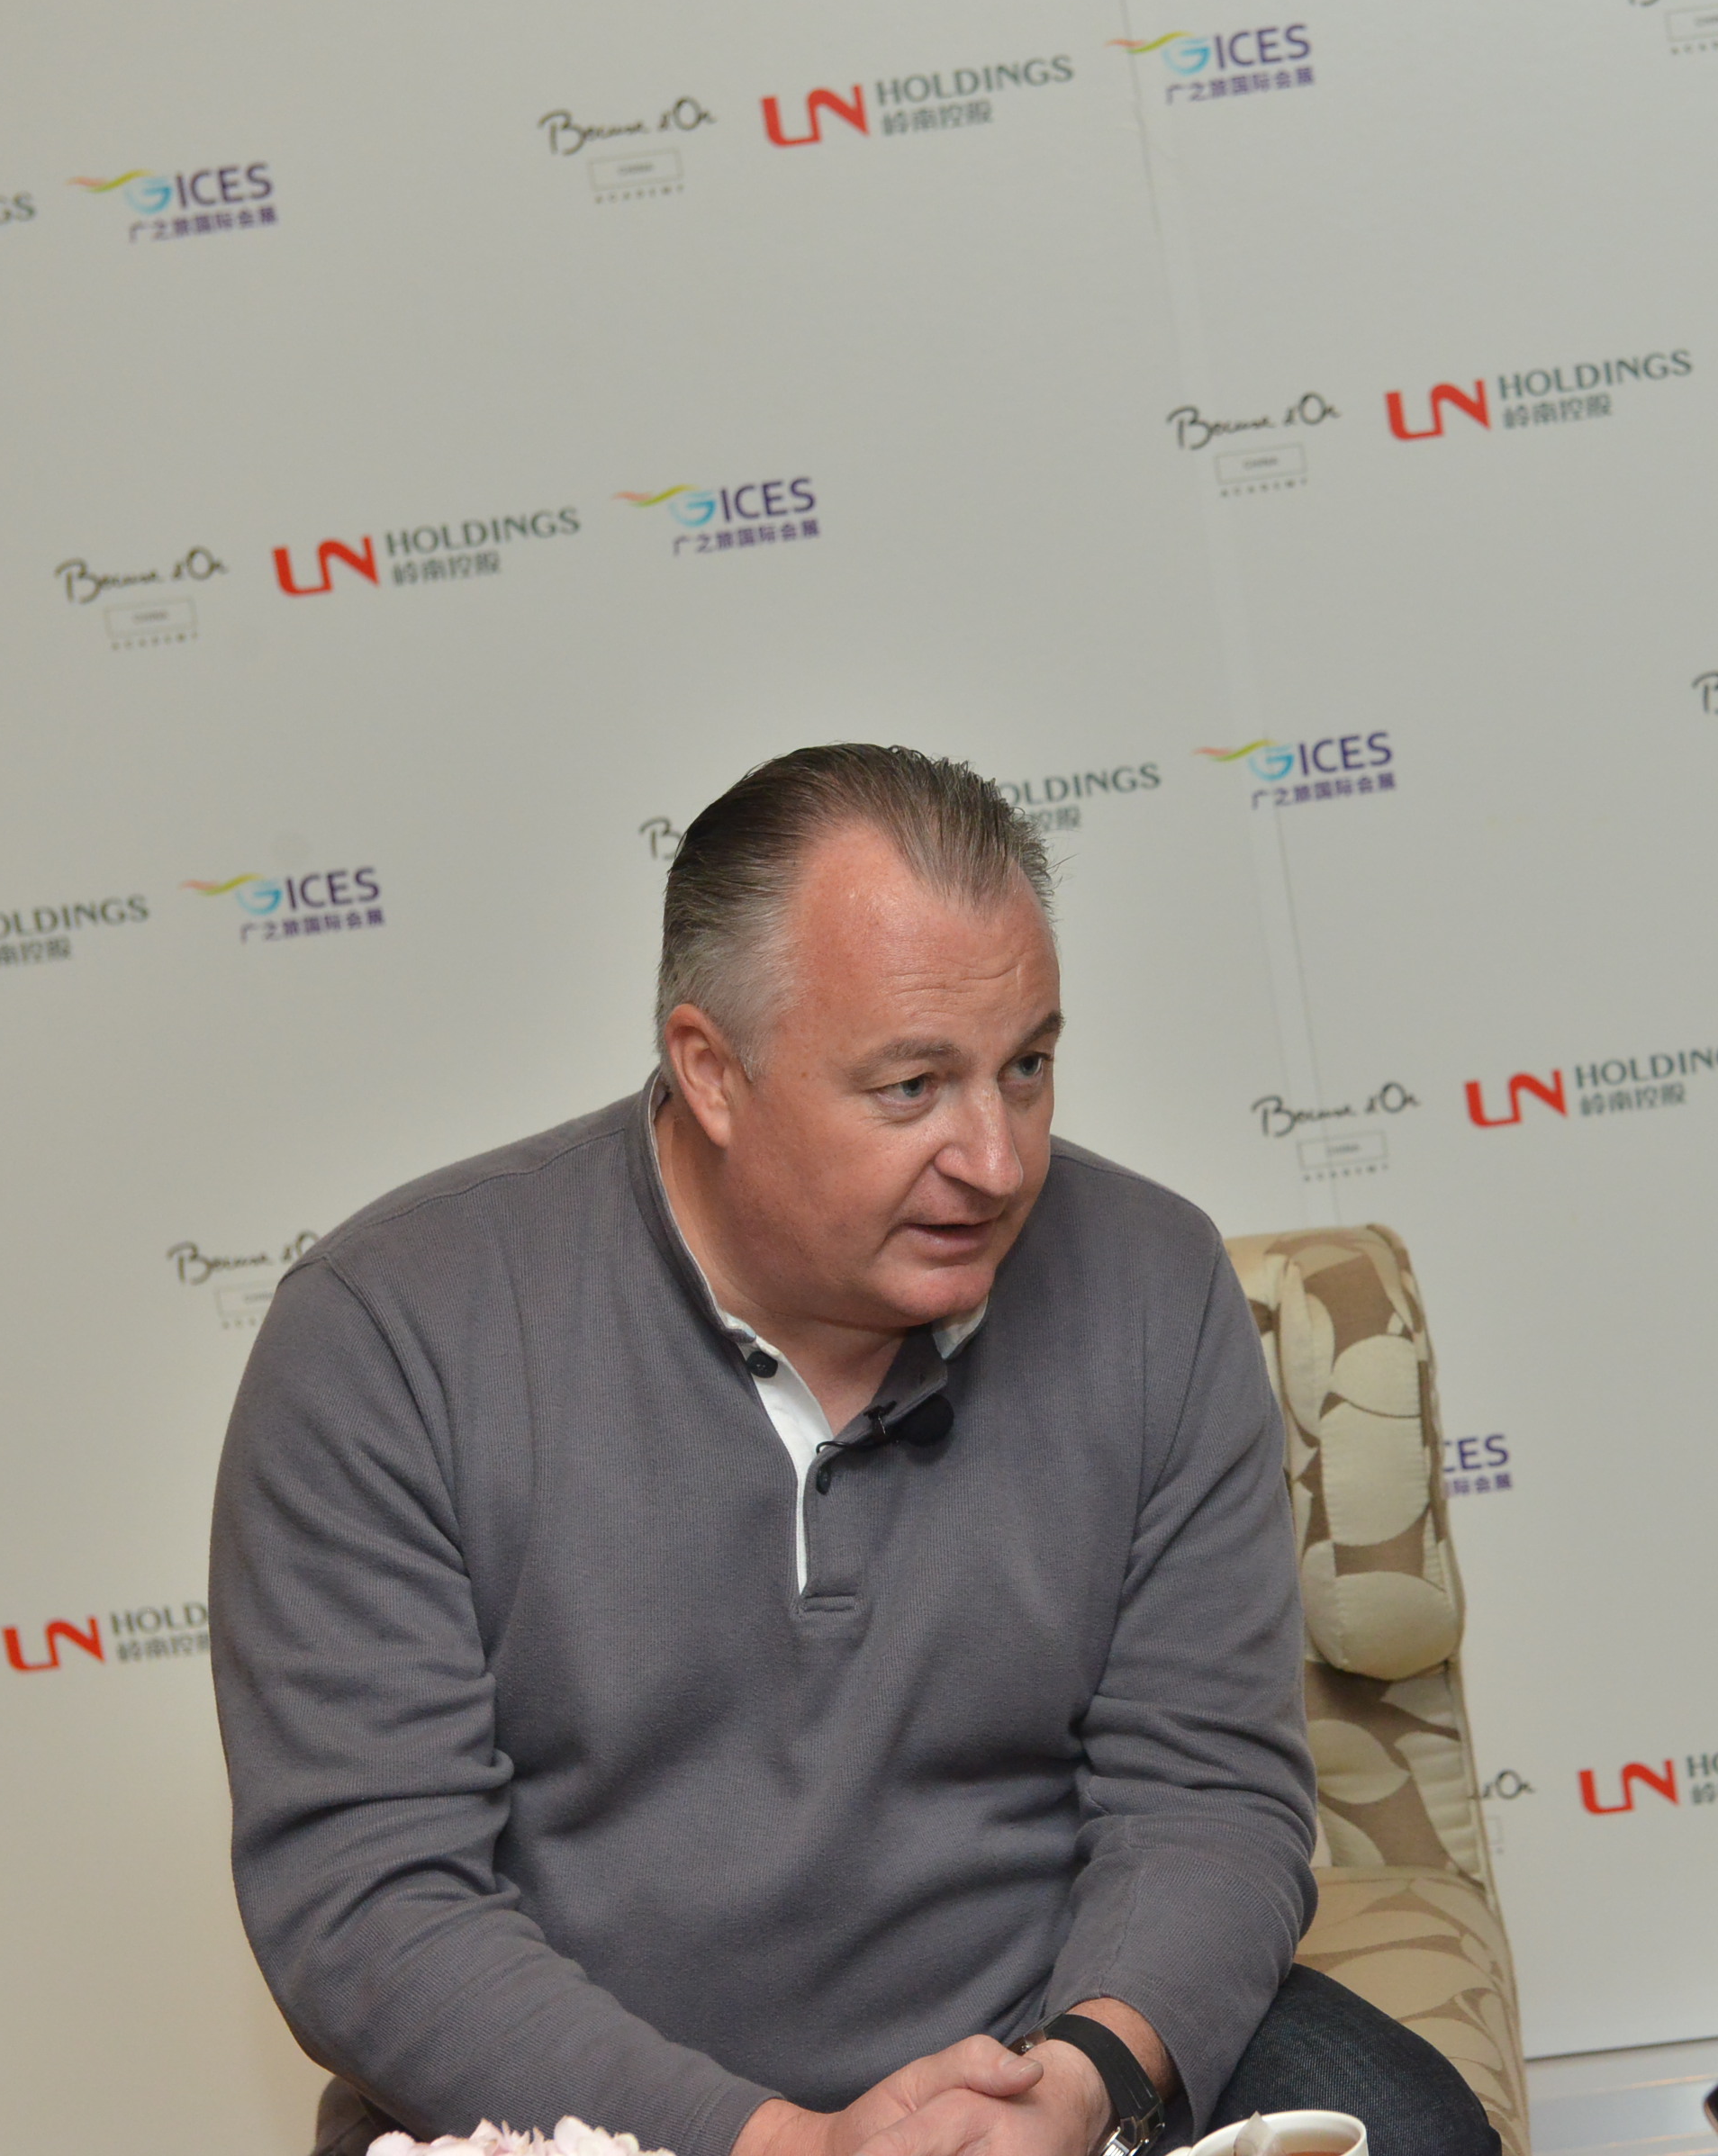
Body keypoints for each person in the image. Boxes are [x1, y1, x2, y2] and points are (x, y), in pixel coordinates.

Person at [210, 746, 1497, 2156]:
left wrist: (1081, 2081)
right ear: (712, 1071)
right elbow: (373, 1907)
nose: (996, 1160)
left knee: (1404, 2127)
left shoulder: (1153, 1286)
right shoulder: (388, 1335)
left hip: (1041, 2042)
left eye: (1027, 1067)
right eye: (913, 1087)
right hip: (609, 2111)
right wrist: (789, 2146)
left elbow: (1206, 1799)